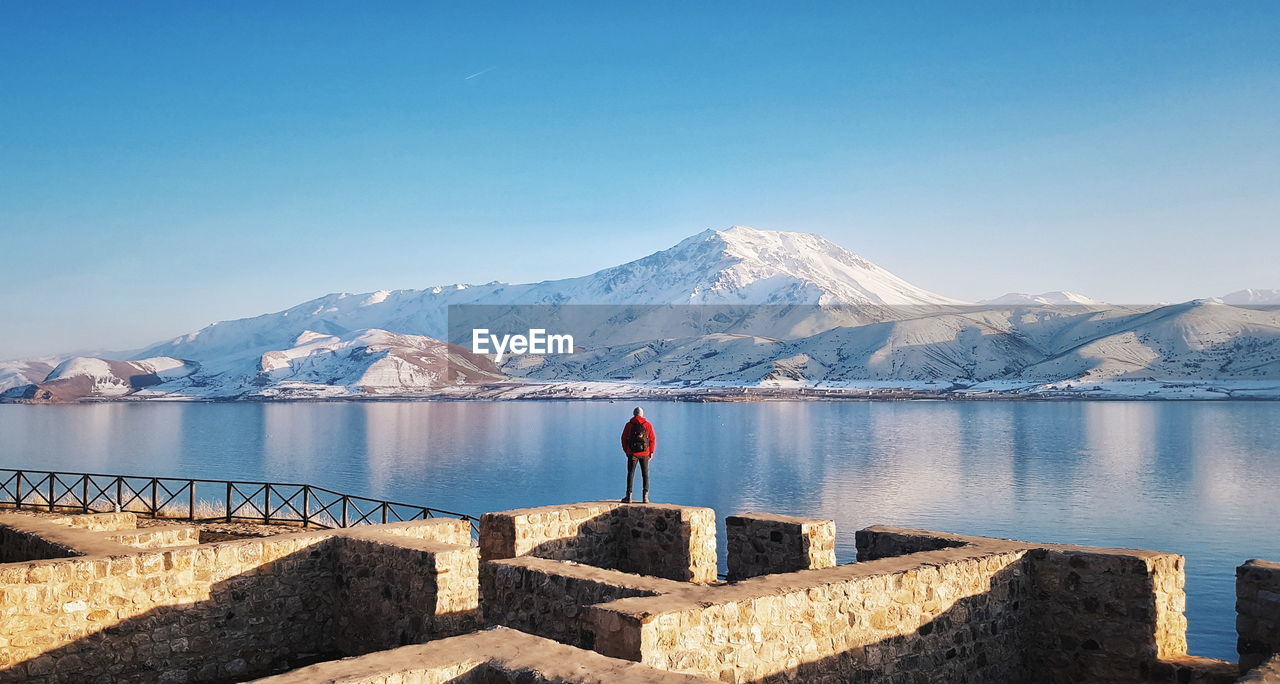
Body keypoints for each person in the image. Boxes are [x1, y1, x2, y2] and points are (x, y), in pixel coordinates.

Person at [620, 407, 656, 503]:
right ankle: (645, 497)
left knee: (630, 474)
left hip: (632, 453)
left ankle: (629, 497)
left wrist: (626, 450)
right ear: (642, 414)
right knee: (645, 474)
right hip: (645, 453)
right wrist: (651, 451)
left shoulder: (629, 425)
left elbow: (623, 438)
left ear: (634, 414)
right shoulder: (648, 425)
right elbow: (652, 439)